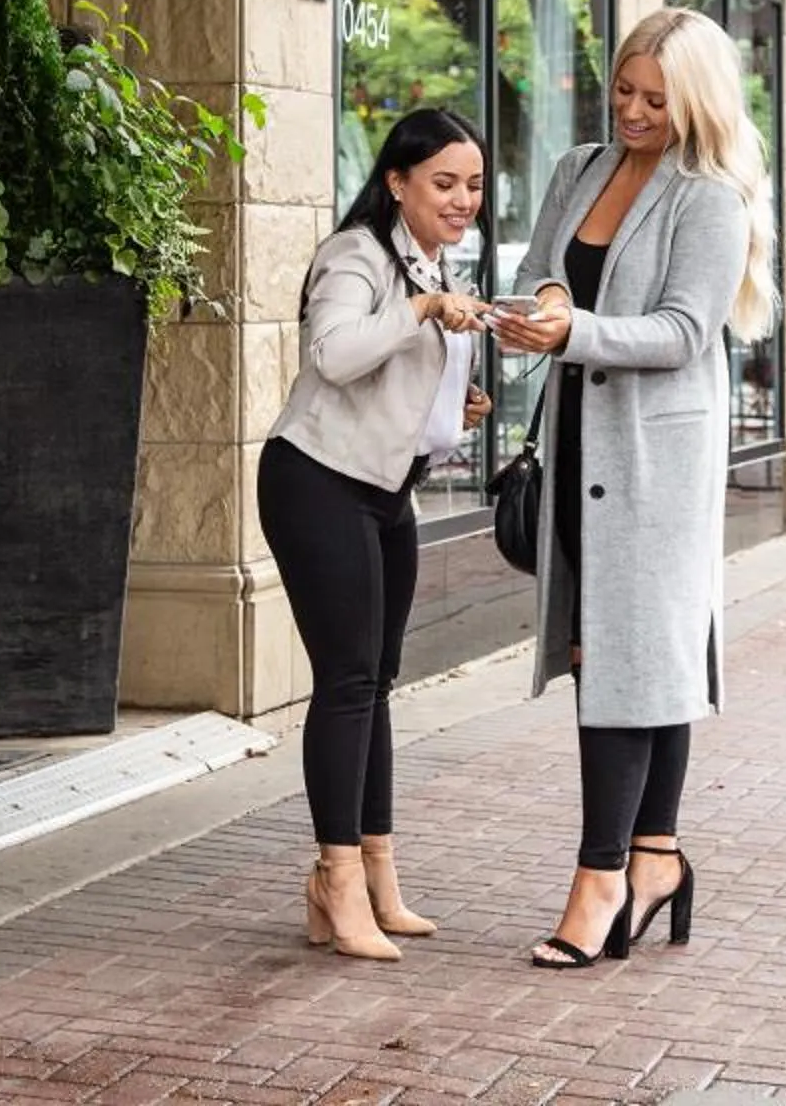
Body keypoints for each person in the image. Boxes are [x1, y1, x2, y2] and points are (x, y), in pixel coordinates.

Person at [492, 8, 775, 970]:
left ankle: (600, 878)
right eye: (623, 90)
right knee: (618, 654)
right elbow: (537, 274)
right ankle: (655, 859)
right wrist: (533, 315)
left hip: (657, 458)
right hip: (580, 445)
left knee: (634, 655)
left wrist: (574, 332)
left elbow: (684, 332)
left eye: (657, 98)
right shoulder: (578, 170)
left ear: (695, 101)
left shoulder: (711, 199)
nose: (634, 111)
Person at [260, 108, 496, 961]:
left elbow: (400, 386)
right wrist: (425, 307)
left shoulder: (433, 262)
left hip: (386, 490)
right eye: (445, 183)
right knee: (348, 681)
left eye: (472, 184)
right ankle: (335, 879)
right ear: (397, 181)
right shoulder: (357, 255)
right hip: (317, 482)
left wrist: (456, 413)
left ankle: (377, 877)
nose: (463, 198)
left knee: (378, 682)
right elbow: (334, 354)